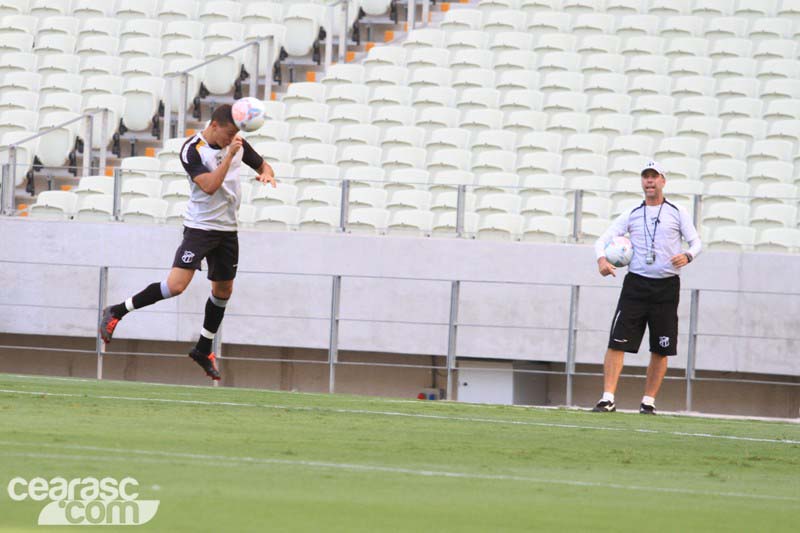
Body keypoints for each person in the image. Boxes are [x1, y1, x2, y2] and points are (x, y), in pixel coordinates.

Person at [99, 104, 276, 380]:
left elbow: (262, 163)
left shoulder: (238, 143)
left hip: (228, 230)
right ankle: (116, 311)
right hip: (200, 229)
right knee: (176, 286)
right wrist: (229, 156)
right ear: (214, 125)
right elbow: (209, 186)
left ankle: (204, 348)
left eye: (235, 135)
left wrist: (267, 172)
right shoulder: (192, 149)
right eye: (228, 134)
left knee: (223, 292)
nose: (232, 139)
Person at [592, 161, 701, 415]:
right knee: (617, 341)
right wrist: (602, 260)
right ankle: (607, 398)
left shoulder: (677, 212)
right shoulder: (632, 212)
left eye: (654, 177)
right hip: (636, 285)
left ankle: (648, 401)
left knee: (661, 347)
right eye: (645, 177)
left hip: (666, 287)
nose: (649, 181)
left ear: (663, 181)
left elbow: (696, 242)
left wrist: (688, 256)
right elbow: (602, 240)